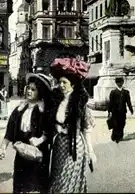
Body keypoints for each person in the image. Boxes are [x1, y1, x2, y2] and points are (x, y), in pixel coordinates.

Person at [0, 73, 52, 194]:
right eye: (28, 88)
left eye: (33, 89)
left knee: (37, 187)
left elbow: (51, 131)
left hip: (38, 156)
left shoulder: (45, 111)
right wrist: (2, 148)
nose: (29, 91)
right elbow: (10, 132)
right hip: (21, 156)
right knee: (20, 187)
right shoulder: (19, 109)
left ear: (40, 91)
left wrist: (40, 139)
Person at [48, 57, 96, 193]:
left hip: (75, 146)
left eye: (64, 82)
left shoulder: (80, 103)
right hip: (59, 146)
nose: (61, 85)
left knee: (69, 185)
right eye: (60, 82)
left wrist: (90, 152)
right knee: (58, 181)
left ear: (73, 84)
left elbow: (86, 129)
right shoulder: (56, 101)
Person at [107, 77, 134, 143]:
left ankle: (120, 135)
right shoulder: (113, 92)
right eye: (118, 82)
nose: (119, 84)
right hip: (115, 111)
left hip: (122, 111)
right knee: (116, 124)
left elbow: (128, 102)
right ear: (116, 83)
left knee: (122, 123)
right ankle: (115, 136)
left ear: (122, 82)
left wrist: (131, 109)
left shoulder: (126, 92)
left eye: (120, 82)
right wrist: (109, 111)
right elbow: (110, 102)